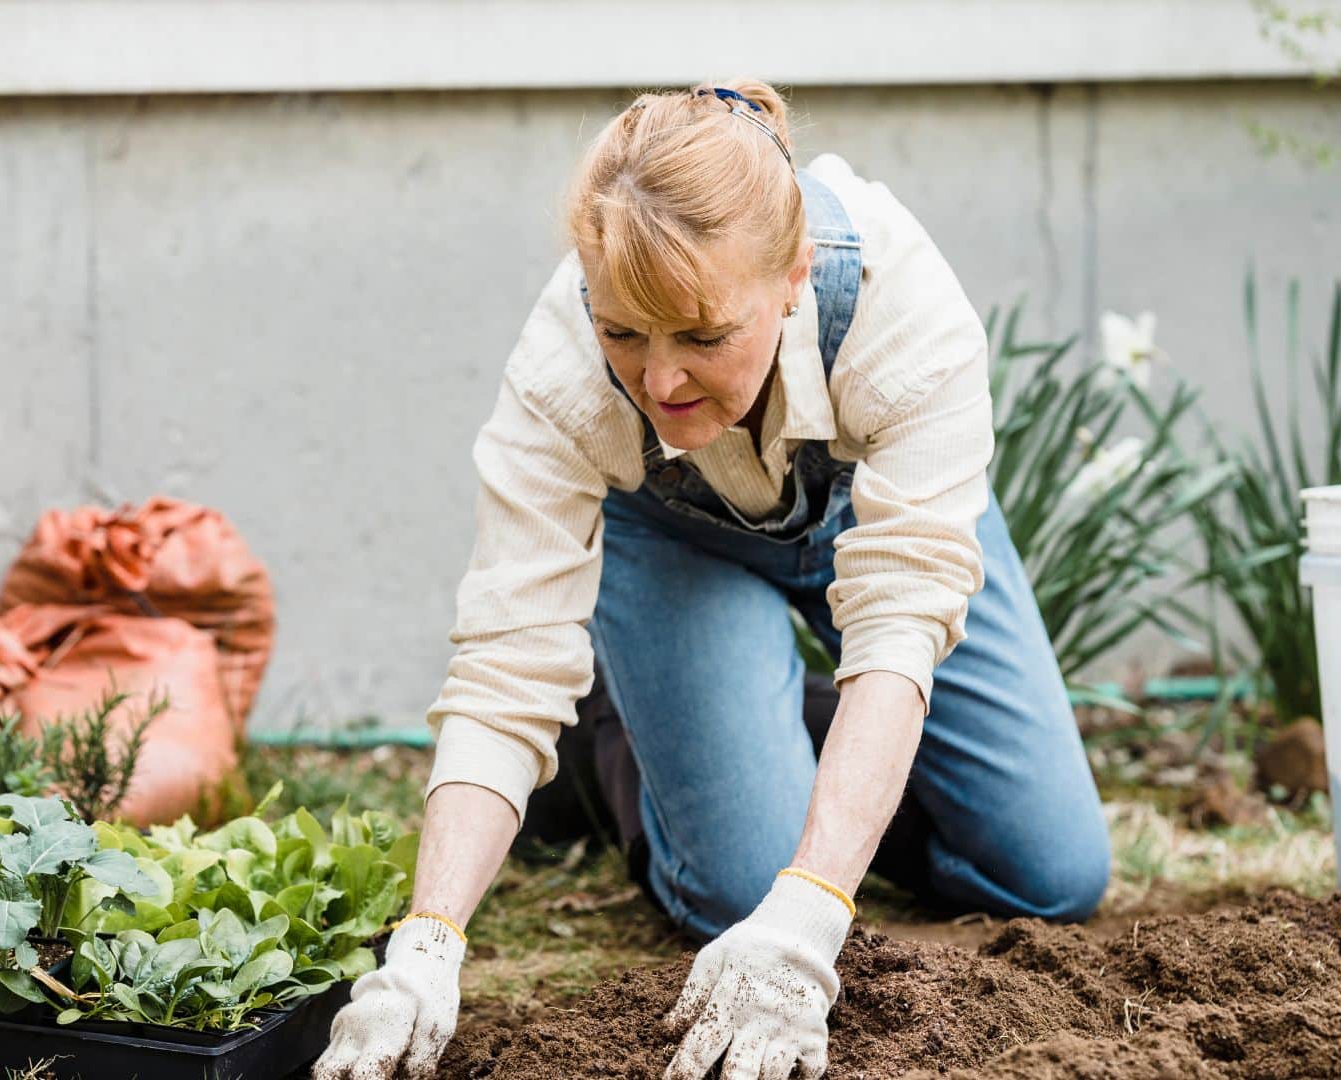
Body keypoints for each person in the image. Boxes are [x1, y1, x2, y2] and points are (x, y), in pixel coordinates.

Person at [314, 79, 1110, 1080]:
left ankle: (735, 718)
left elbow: (900, 622)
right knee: (740, 889)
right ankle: (624, 737)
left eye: (700, 335)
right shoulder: (559, 373)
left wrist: (814, 911)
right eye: (623, 333)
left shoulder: (901, 310)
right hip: (673, 541)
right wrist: (425, 948)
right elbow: (507, 666)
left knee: (1049, 877)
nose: (659, 382)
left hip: (878, 522)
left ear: (791, 277)